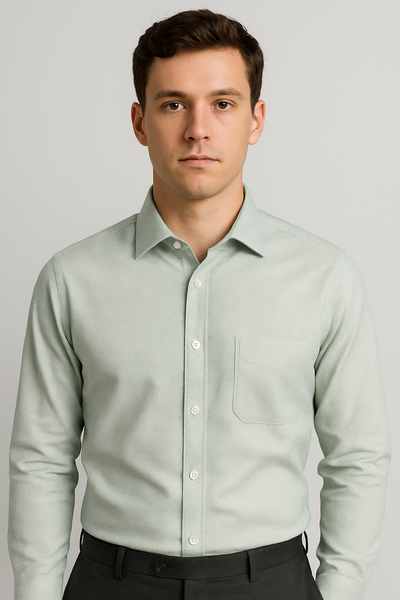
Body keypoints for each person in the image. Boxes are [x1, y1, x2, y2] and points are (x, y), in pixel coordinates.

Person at [8, 9, 390, 600]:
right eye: (173, 104)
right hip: (113, 584)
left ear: (256, 120)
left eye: (223, 103)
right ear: (140, 122)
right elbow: (41, 460)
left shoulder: (325, 277)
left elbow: (357, 457)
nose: (197, 129)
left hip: (272, 584)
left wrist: (338, 591)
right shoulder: (71, 279)